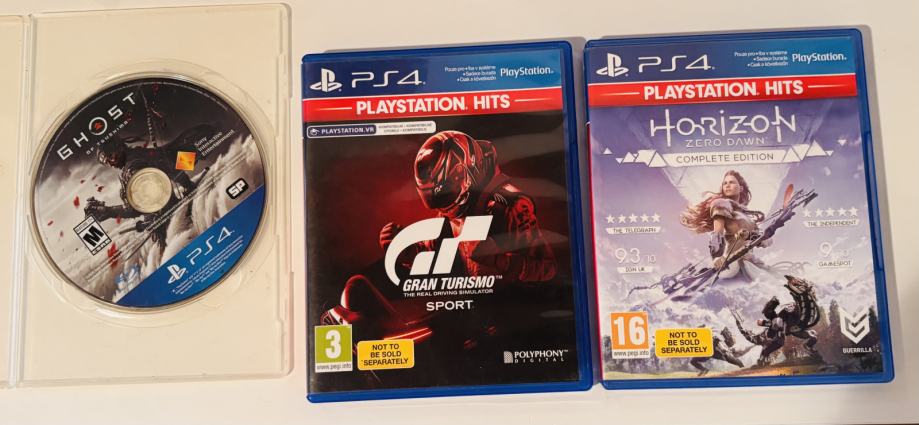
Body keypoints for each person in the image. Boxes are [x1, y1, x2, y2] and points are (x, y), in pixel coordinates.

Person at [679, 170, 767, 280]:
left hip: (751, 262)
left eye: (731, 182)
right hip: (731, 264)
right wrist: (717, 257)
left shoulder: (745, 215)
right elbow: (717, 233)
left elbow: (754, 238)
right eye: (725, 183)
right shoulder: (721, 204)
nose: (727, 185)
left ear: (741, 188)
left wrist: (764, 240)